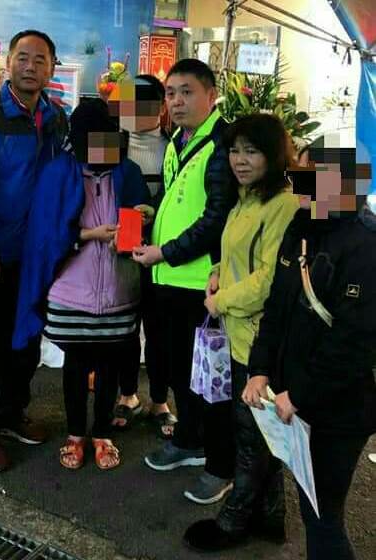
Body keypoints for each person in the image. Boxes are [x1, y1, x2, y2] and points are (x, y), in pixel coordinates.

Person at [186, 155, 376, 557]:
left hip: (339, 410)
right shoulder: (301, 227)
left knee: (323, 516)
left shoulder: (365, 245)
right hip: (292, 400)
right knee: (312, 507)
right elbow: (276, 307)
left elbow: (353, 342)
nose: (297, 183)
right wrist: (259, 371)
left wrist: (299, 394)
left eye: (308, 175)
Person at [181, 114, 298, 545]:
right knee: (262, 434)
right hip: (240, 332)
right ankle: (270, 517)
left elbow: (270, 279)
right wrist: (216, 271)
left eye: (252, 151)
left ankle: (233, 523)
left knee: (250, 437)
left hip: (260, 338)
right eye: (234, 150)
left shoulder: (282, 204)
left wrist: (222, 300)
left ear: (274, 155)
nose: (240, 160)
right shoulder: (245, 199)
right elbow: (235, 254)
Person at [0, 30, 67, 472]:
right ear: (8, 63)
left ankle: (11, 411)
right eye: (23, 57)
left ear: (52, 67)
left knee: (26, 340)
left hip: (38, 256)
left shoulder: (57, 118)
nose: (30, 66)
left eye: (40, 60)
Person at [32, 99, 151, 470]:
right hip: (72, 290)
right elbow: (45, 231)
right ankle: (74, 433)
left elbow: (145, 218)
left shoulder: (128, 172)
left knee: (110, 365)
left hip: (118, 288)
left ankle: (101, 433)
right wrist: (88, 234)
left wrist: (139, 223)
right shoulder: (59, 172)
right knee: (76, 364)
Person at [132, 59, 237, 479]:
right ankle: (188, 440)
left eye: (187, 92)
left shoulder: (224, 143)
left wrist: (165, 252)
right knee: (180, 371)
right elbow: (180, 198)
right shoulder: (178, 139)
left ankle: (220, 463)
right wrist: (153, 213)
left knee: (212, 379)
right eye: (171, 93)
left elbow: (216, 219)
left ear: (211, 95)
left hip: (201, 286)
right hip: (169, 279)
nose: (176, 101)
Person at [108, 75, 176, 436]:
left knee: (160, 329)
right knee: (126, 329)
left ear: (160, 107)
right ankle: (128, 394)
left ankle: (160, 400)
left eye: (141, 103)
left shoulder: (175, 147)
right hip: (123, 251)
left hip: (164, 253)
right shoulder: (112, 146)